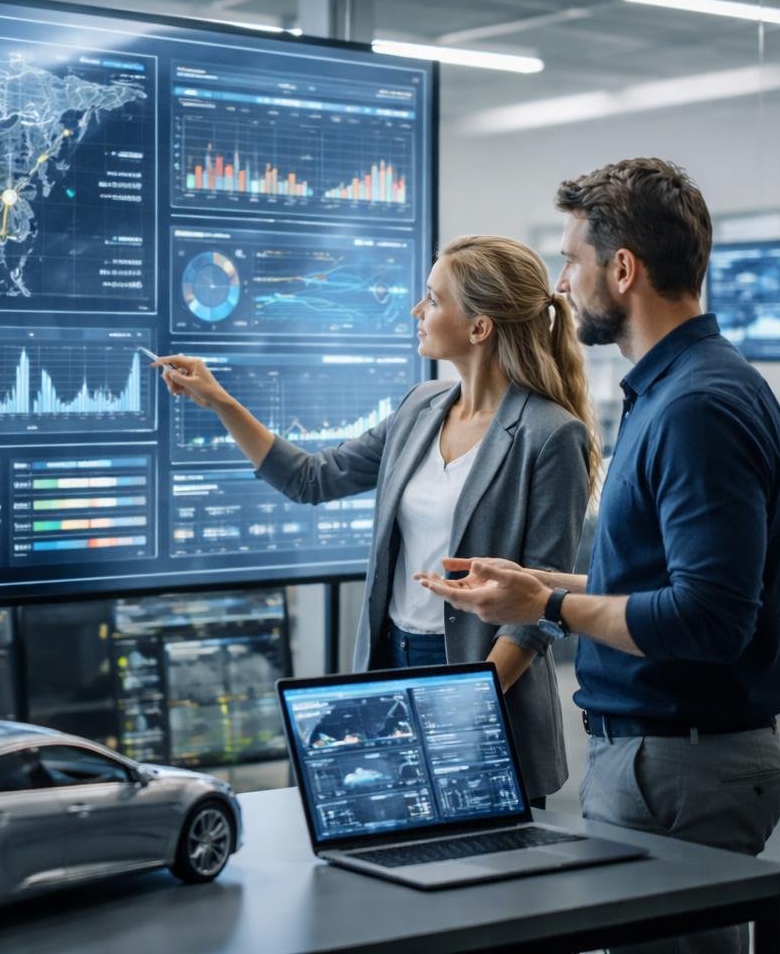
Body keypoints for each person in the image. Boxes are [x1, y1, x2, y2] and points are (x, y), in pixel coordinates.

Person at [418, 158, 780, 954]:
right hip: (673, 762)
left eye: (571, 260)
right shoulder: (680, 390)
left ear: (622, 269)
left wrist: (548, 607)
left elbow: (709, 619)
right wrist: (536, 581)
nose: (561, 284)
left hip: (678, 767)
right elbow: (662, 584)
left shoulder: (697, 407)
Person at [156, 234, 598, 804]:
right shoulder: (420, 407)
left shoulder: (551, 434)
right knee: (388, 829)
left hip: (482, 674)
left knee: (478, 847)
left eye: (432, 299)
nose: (417, 311)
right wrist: (221, 402)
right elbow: (311, 479)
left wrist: (473, 703)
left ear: (479, 327)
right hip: (392, 659)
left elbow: (536, 607)